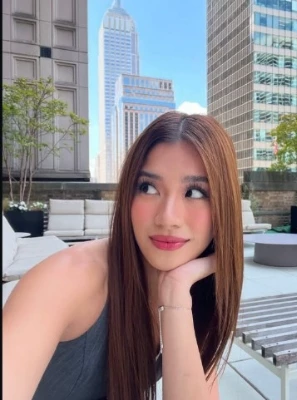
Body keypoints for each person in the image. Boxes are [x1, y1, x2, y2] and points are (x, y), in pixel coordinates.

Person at [3, 111, 244, 400]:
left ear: (223, 205)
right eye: (148, 188)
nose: (168, 218)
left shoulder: (197, 286)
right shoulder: (64, 280)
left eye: (194, 193)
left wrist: (176, 294)